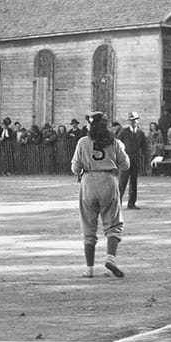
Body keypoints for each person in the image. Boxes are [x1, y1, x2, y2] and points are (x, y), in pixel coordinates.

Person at [70, 111, 130, 279]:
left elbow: (75, 167)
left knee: (88, 225)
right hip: (108, 181)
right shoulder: (115, 142)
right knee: (113, 224)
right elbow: (125, 165)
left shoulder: (83, 142)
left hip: (88, 182)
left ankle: (89, 269)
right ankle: (110, 259)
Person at [117, 112, 146, 210]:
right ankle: (118, 204)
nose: (133, 122)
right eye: (132, 120)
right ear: (129, 121)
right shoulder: (124, 132)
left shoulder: (141, 133)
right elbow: (117, 144)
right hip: (125, 160)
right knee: (122, 182)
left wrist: (144, 158)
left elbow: (144, 147)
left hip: (135, 160)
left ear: (138, 121)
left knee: (134, 182)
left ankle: (132, 203)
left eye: (135, 120)